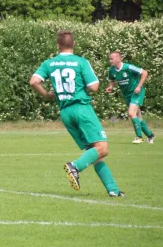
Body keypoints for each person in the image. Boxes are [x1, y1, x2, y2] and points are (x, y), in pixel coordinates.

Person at [29, 30, 124, 197]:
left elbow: (34, 81)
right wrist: (81, 88)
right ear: (74, 44)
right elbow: (94, 87)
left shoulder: (49, 63)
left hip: (65, 112)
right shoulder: (81, 62)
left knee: (94, 152)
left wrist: (46, 94)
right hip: (81, 108)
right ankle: (75, 166)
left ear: (58, 46)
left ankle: (113, 190)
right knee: (103, 148)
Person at [106, 51, 155, 144]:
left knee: (131, 113)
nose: (110, 60)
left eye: (111, 58)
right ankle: (150, 135)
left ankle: (139, 137)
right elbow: (112, 79)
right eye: (109, 59)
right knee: (138, 118)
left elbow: (144, 73)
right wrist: (111, 87)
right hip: (127, 95)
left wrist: (139, 86)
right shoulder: (111, 70)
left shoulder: (128, 67)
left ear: (118, 59)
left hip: (136, 93)